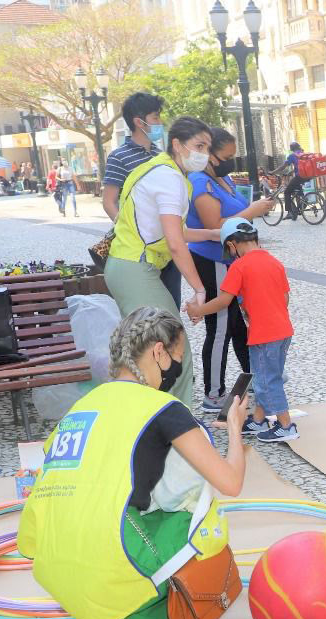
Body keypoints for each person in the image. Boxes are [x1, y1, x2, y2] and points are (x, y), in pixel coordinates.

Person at [18, 307, 248, 619]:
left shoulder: (83, 405)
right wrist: (234, 426)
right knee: (195, 516)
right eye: (177, 358)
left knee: (123, 511)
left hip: (52, 560)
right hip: (111, 555)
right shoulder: (163, 408)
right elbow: (230, 482)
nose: (176, 369)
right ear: (158, 351)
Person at [106, 116, 221, 403]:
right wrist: (200, 290)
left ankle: (150, 417)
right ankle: (178, 422)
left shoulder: (160, 171)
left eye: (207, 147)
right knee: (172, 343)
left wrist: (211, 233)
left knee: (145, 350)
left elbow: (173, 231)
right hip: (135, 268)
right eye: (198, 145)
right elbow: (175, 242)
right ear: (177, 144)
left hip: (128, 266)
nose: (203, 153)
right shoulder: (169, 177)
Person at [186, 127, 276, 412]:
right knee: (221, 326)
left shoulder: (222, 178)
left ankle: (255, 382)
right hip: (213, 259)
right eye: (226, 156)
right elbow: (217, 224)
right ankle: (213, 394)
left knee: (239, 325)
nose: (230, 162)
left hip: (233, 259)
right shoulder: (200, 182)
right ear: (210, 155)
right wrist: (252, 211)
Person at [187, 219, 298, 443]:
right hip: (281, 331)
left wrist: (199, 309)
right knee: (262, 377)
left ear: (232, 245)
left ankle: (286, 425)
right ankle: (258, 421)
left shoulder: (239, 266)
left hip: (264, 335)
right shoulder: (274, 262)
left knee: (268, 381)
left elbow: (223, 301)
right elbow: (285, 298)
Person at [104, 93, 165, 221]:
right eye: (155, 118)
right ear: (139, 122)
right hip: (135, 237)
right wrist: (127, 230)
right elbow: (109, 203)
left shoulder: (160, 154)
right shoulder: (118, 157)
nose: (160, 122)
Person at [282, 142, 308, 221]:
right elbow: (300, 166)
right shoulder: (303, 154)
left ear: (291, 149)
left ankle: (289, 212)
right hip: (307, 176)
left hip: (299, 177)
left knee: (287, 192)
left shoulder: (292, 156)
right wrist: (292, 171)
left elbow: (284, 166)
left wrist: (273, 172)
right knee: (297, 189)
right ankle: (302, 203)